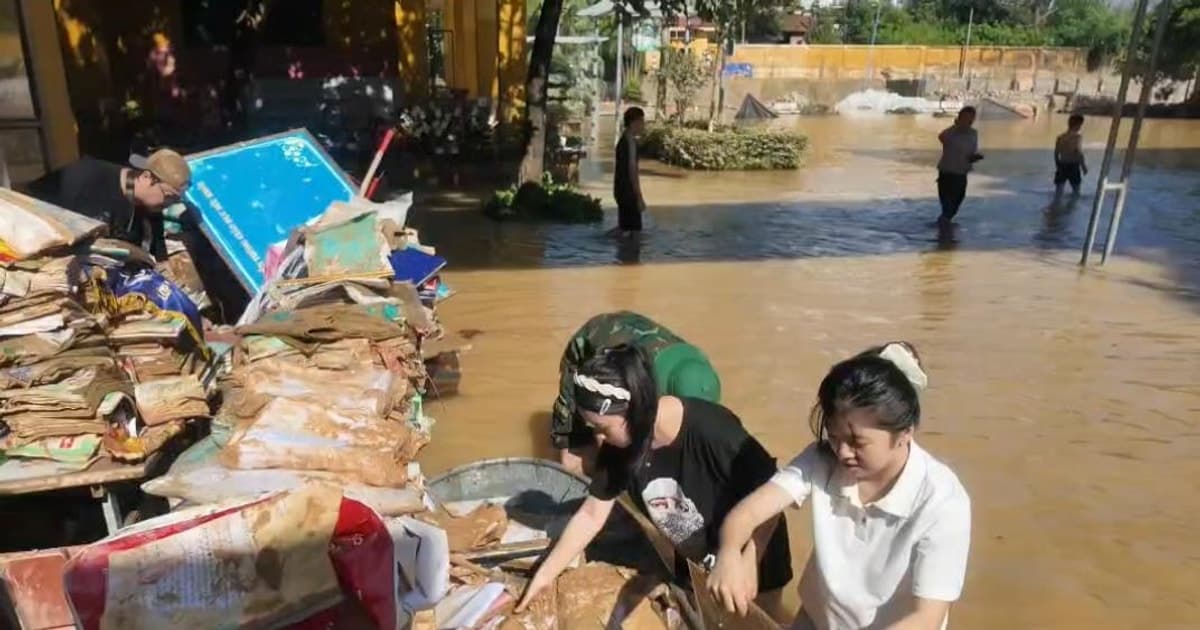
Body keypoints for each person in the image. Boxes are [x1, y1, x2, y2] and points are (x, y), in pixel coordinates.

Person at [707, 342, 971, 630]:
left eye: (857, 442)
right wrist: (730, 554)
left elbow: (927, 617)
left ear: (905, 433)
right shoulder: (822, 460)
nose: (843, 452)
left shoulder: (942, 501)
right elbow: (748, 513)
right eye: (834, 437)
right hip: (815, 620)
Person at [519, 346, 792, 618]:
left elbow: (775, 490)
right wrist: (544, 577)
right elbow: (591, 515)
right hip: (696, 557)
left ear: (636, 411)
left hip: (755, 551)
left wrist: (749, 560)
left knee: (761, 620)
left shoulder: (712, 430)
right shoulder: (618, 447)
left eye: (603, 429)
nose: (599, 440)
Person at [552, 311, 721, 476]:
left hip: (639, 335)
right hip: (590, 344)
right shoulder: (633, 375)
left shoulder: (700, 378)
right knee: (584, 449)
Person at [21, 149, 192, 260]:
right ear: (147, 177)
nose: (169, 204)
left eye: (175, 200)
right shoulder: (87, 179)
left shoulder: (152, 210)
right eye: (169, 196)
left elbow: (159, 260)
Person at [936, 107, 982, 225]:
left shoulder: (973, 133)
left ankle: (943, 228)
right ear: (960, 118)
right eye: (966, 117)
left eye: (971, 118)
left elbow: (970, 154)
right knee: (947, 206)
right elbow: (941, 137)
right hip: (946, 172)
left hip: (962, 173)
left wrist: (975, 157)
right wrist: (956, 127)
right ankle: (943, 229)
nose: (968, 120)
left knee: (957, 202)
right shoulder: (951, 132)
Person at [614, 106, 646, 235]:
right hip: (628, 192)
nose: (643, 125)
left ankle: (603, 241)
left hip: (620, 190)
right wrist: (639, 197)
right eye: (642, 122)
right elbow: (632, 171)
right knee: (635, 233)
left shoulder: (623, 139)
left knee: (624, 229)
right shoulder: (631, 142)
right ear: (634, 122)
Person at [1054, 114, 1088, 199]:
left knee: (1059, 191)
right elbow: (1078, 152)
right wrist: (1083, 166)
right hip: (1073, 166)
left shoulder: (1060, 137)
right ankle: (1071, 206)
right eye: (1080, 125)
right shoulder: (1077, 137)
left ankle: (1056, 205)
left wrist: (1058, 165)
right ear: (1077, 125)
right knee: (1076, 191)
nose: (1081, 127)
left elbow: (1056, 153)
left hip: (1062, 164)